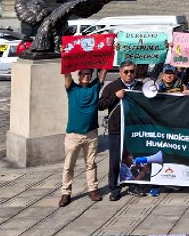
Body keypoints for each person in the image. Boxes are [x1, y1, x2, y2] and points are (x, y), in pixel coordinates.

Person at [59, 67, 107, 207]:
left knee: (91, 163)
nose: (87, 76)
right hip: (73, 134)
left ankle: (93, 189)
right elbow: (66, 74)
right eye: (84, 74)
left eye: (89, 74)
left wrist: (109, 51)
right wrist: (64, 55)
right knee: (69, 165)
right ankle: (66, 193)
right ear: (79, 75)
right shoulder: (72, 88)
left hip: (91, 134)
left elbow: (103, 73)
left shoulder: (94, 87)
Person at [98, 60, 142, 201]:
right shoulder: (112, 86)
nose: (129, 74)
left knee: (133, 159)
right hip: (116, 129)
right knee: (115, 160)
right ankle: (114, 188)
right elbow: (101, 105)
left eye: (132, 71)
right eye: (126, 72)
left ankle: (133, 185)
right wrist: (115, 96)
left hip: (134, 130)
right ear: (120, 72)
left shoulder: (140, 86)